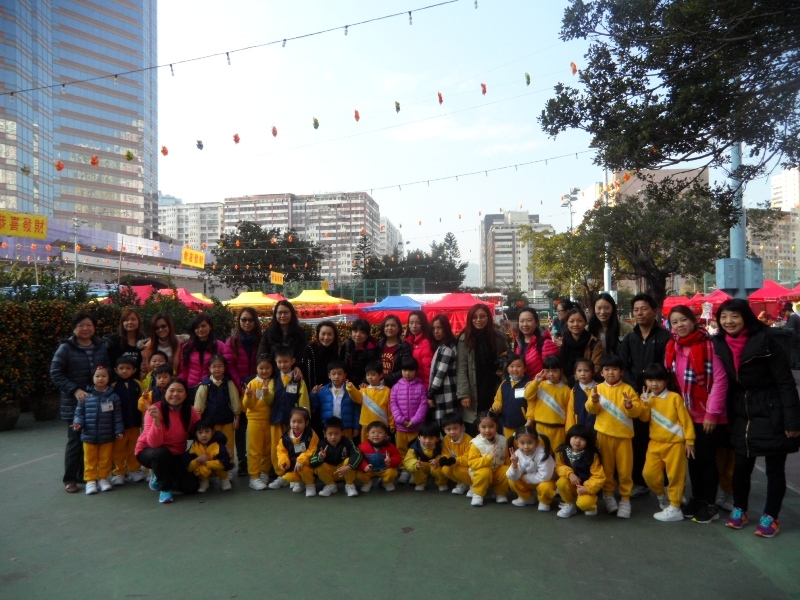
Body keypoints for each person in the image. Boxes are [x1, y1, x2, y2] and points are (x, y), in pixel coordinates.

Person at [712, 299, 800, 538]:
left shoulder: (766, 340)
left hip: (772, 410)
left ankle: (771, 516)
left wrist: (792, 421)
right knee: (741, 465)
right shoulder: (719, 343)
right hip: (742, 412)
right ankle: (740, 508)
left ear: (746, 318)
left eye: (735, 316)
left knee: (774, 468)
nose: (729, 321)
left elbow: (785, 382)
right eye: (724, 317)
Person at [664, 305, 729, 524]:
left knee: (707, 459)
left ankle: (710, 504)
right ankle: (698, 498)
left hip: (707, 415)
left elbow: (720, 380)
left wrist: (712, 413)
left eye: (683, 320)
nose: (680, 325)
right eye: (675, 322)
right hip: (686, 414)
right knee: (692, 459)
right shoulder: (673, 346)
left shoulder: (708, 345)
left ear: (693, 320)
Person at [619, 293, 672, 499]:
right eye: (636, 310)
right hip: (637, 398)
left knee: (663, 440)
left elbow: (669, 367)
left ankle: (668, 485)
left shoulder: (665, 337)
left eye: (644, 309)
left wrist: (656, 388)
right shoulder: (629, 339)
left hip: (661, 397)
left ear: (654, 311)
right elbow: (623, 367)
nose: (640, 313)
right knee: (639, 440)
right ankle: (640, 482)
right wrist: (635, 388)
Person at [50, 312, 110, 493]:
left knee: (92, 439)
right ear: (74, 328)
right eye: (81, 325)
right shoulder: (65, 348)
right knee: (75, 440)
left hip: (96, 401)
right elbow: (55, 373)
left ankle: (84, 474)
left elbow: (107, 370)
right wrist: (75, 390)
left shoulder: (100, 346)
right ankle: (69, 479)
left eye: (89, 325)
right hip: (74, 403)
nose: (85, 328)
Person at [585, 354, 642, 518]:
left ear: (621, 372)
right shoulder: (597, 389)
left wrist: (630, 406)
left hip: (624, 437)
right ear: (601, 372)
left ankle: (625, 498)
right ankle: (608, 495)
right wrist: (593, 401)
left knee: (625, 470)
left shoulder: (628, 389)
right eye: (607, 369)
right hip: (603, 436)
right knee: (607, 469)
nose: (611, 372)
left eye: (615, 369)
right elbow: (590, 410)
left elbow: (637, 412)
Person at [639, 363, 695, 522]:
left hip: (675, 444)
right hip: (655, 443)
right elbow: (644, 418)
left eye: (658, 380)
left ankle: (675, 507)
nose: (654, 384)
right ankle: (662, 495)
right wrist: (644, 403)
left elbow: (685, 420)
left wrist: (689, 440)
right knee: (648, 474)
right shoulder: (648, 398)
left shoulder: (674, 398)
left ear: (666, 381)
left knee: (675, 476)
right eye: (650, 380)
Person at [135, 378, 201, 504]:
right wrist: (157, 421)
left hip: (176, 454)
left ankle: (163, 475)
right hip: (150, 451)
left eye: (180, 391)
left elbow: (201, 429)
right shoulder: (154, 409)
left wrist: (219, 443)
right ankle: (165, 489)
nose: (175, 394)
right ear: (165, 392)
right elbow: (154, 444)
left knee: (191, 487)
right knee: (161, 454)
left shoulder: (190, 411)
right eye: (172, 390)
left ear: (186, 394)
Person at [73, 366, 124, 495]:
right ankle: (90, 481)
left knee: (105, 459)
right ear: (92, 378)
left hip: (107, 436)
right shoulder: (85, 395)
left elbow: (117, 416)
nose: (100, 378)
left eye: (104, 376)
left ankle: (103, 478)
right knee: (89, 459)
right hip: (89, 435)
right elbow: (79, 413)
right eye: (97, 376)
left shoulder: (114, 397)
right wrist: (78, 423)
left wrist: (119, 430)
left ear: (109, 378)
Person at [456, 303, 509, 428]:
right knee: (475, 423)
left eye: (482, 316)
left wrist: (503, 368)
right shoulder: (465, 339)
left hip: (494, 384)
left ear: (488, 317)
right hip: (474, 385)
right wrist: (464, 394)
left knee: (494, 419)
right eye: (475, 317)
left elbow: (507, 356)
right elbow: (461, 367)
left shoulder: (498, 336)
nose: (478, 320)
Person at [223, 307, 262, 476]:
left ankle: (260, 460)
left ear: (255, 321)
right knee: (240, 427)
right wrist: (241, 385)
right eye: (244, 319)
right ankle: (243, 460)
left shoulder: (261, 340)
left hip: (258, 388)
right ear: (239, 321)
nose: (247, 323)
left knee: (258, 424)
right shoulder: (231, 342)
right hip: (238, 389)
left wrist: (253, 382)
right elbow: (229, 366)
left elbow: (265, 362)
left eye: (250, 319)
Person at [268, 347, 311, 480]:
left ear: (292, 361)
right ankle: (280, 474)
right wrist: (265, 394)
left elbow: (303, 400)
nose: (282, 365)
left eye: (286, 361)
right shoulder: (273, 379)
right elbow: (269, 399)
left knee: (296, 446)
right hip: (276, 419)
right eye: (279, 362)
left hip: (293, 422)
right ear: (276, 362)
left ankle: (295, 473)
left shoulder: (298, 379)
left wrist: (305, 416)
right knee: (277, 446)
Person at [193, 355, 241, 462]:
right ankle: (212, 466)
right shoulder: (205, 384)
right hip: (210, 422)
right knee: (212, 444)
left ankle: (227, 466)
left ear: (225, 367)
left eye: (220, 366)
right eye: (214, 366)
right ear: (209, 368)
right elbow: (199, 404)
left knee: (228, 444)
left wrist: (237, 418)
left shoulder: (229, 383)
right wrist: (199, 421)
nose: (217, 369)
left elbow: (235, 401)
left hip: (227, 421)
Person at [390, 357, 429, 483]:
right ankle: (404, 469)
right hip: (401, 427)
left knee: (416, 450)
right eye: (404, 370)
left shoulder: (421, 387)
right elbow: (393, 404)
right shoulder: (396, 387)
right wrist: (400, 419)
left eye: (410, 370)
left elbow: (423, 405)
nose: (407, 373)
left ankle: (415, 470)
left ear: (416, 371)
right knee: (401, 449)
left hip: (416, 427)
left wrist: (415, 420)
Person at [555, 424, 605, 518]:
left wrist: (587, 488)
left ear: (587, 442)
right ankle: (570, 504)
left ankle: (591, 506)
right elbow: (559, 466)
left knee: (585, 504)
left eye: (582, 439)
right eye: (575, 437)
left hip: (587, 487)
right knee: (561, 482)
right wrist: (569, 473)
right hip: (572, 485)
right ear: (569, 437)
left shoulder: (592, 455)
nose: (577, 441)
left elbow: (598, 476)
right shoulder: (562, 451)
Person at [242, 355, 276, 491]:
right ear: (256, 369)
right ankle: (254, 477)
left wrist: (267, 394)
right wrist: (248, 396)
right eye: (261, 368)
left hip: (269, 420)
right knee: (254, 450)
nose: (264, 371)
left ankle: (264, 473)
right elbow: (247, 405)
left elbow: (272, 401)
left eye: (267, 368)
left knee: (268, 449)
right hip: (254, 420)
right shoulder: (252, 383)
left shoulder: (274, 382)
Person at [524, 355, 570, 451]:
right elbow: (528, 396)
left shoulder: (566, 390)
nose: (551, 374)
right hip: (541, 427)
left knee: (559, 454)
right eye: (547, 371)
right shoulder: (540, 385)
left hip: (559, 429)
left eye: (554, 371)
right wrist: (535, 382)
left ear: (561, 371)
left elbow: (569, 411)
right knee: (541, 454)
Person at [268, 407, 318, 495]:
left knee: (304, 469)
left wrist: (301, 460)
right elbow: (281, 451)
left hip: (307, 464)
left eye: (300, 422)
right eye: (293, 421)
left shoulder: (311, 435)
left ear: (306, 423)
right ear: (290, 421)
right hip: (293, 465)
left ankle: (310, 484)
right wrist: (283, 462)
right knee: (287, 477)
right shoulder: (285, 437)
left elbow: (313, 450)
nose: (296, 425)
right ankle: (299, 482)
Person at [302, 321, 340, 435]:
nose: (326, 337)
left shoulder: (335, 350)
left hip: (330, 395)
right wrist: (311, 397)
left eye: (329, 334)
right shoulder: (310, 349)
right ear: (318, 334)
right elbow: (307, 373)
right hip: (314, 394)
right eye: (323, 334)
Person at [110, 356, 143, 485]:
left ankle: (134, 470)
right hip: (120, 425)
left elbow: (142, 401)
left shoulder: (138, 384)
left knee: (134, 447)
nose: (124, 371)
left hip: (135, 423)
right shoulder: (113, 386)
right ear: (116, 370)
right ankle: (119, 472)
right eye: (121, 368)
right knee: (118, 449)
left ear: (134, 370)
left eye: (128, 368)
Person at [310, 416, 363, 497]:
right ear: (324, 433)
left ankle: (349, 485)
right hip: (330, 473)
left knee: (349, 460)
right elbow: (312, 462)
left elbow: (357, 454)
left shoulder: (347, 441)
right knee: (319, 466)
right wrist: (320, 457)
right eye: (330, 434)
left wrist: (349, 466)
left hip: (344, 471)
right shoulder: (321, 444)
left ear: (342, 433)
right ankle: (330, 485)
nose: (333, 437)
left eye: (336, 433)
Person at [310, 359, 362, 440]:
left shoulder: (350, 390)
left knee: (346, 446)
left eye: (339, 374)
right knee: (330, 446)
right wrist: (314, 394)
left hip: (346, 427)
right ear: (329, 375)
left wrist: (356, 426)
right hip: (329, 427)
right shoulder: (323, 391)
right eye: (333, 374)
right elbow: (315, 406)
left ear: (344, 375)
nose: (336, 376)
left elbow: (356, 409)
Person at [506, 425, 556, 509]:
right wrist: (514, 465)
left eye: (530, 443)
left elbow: (545, 476)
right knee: (512, 480)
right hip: (530, 481)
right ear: (517, 443)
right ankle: (527, 498)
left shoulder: (543, 455)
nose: (526, 447)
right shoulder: (517, 453)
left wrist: (525, 478)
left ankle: (544, 501)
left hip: (546, 481)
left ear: (537, 442)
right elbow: (512, 476)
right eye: (522, 443)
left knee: (545, 487)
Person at [467, 412, 510, 507]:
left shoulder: (503, 440)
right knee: (485, 472)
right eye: (483, 427)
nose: (487, 430)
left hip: (497, 471)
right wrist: (489, 458)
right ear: (478, 428)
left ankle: (499, 493)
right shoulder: (475, 443)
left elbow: (506, 458)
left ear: (497, 426)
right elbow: (472, 463)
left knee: (507, 470)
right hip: (481, 473)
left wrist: (510, 468)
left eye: (491, 426)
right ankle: (478, 494)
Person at [177, 314, 226, 394]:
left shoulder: (219, 346)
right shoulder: (187, 347)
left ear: (210, 327)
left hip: (212, 388)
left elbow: (225, 368)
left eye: (203, 326)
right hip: (191, 389)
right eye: (197, 327)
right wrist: (177, 383)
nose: (200, 329)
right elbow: (184, 371)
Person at [489, 354, 533, 439]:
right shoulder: (504, 384)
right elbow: (498, 400)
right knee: (509, 445)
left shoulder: (529, 384)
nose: (515, 369)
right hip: (507, 424)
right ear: (507, 368)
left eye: (518, 366)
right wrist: (496, 409)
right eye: (511, 366)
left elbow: (532, 404)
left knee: (523, 446)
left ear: (525, 368)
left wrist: (529, 421)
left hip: (524, 425)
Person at [186, 417, 233, 493]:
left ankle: (224, 479)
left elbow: (226, 463)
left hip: (217, 468)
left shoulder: (218, 445)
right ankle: (204, 481)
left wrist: (207, 463)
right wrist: (197, 460)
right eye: (200, 432)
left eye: (207, 431)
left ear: (213, 432)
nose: (204, 435)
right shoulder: (194, 446)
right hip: (205, 469)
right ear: (195, 434)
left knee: (221, 465)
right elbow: (188, 467)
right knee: (198, 466)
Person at [557, 307, 603, 384]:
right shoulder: (561, 342)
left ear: (585, 322)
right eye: (571, 321)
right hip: (563, 384)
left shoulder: (594, 343)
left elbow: (596, 368)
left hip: (587, 384)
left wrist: (574, 378)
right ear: (567, 323)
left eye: (580, 321)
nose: (575, 324)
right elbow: (556, 365)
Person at [428, 314, 458, 425]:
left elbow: (439, 374)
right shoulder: (442, 345)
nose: (436, 331)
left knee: (445, 425)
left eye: (439, 327)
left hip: (445, 392)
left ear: (446, 328)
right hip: (443, 392)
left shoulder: (448, 348)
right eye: (433, 328)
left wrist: (430, 394)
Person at [356, 421, 402, 492]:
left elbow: (398, 457)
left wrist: (391, 460)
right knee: (358, 473)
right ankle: (367, 482)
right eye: (373, 432)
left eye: (380, 432)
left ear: (386, 436)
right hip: (369, 470)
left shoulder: (390, 446)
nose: (376, 435)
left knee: (392, 472)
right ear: (368, 435)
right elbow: (359, 458)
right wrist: (364, 466)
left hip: (384, 469)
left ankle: (386, 482)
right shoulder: (362, 447)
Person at [514, 307, 558, 380]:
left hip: (540, 385)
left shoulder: (545, 343)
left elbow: (553, 371)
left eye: (529, 320)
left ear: (537, 322)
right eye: (521, 321)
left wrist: (534, 383)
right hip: (522, 385)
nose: (525, 324)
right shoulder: (518, 342)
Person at [403, 421, 448, 492]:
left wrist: (438, 461)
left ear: (437, 438)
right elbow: (408, 460)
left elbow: (445, 455)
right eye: (424, 437)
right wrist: (415, 464)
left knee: (439, 468)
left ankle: (441, 483)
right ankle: (421, 482)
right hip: (422, 466)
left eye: (431, 438)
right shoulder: (414, 447)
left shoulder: (441, 445)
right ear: (419, 437)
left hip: (434, 466)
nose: (427, 441)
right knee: (417, 468)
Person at [258, 300, 307, 364]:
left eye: (286, 312)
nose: (283, 315)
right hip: (273, 369)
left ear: (291, 313)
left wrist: (298, 366)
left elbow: (303, 354)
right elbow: (262, 353)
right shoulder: (268, 333)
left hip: (294, 369)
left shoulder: (300, 332)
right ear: (275, 314)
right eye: (280, 312)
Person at [139, 312, 188, 378]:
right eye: (157, 328)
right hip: (154, 381)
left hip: (176, 381)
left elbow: (185, 368)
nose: (160, 330)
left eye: (163, 326)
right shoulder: (148, 347)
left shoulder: (181, 344)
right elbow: (144, 369)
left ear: (169, 326)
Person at [354, 361, 393, 441]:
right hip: (366, 424)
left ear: (381, 375)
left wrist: (392, 424)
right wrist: (350, 388)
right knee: (365, 445)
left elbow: (390, 409)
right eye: (368, 375)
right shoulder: (363, 390)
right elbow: (356, 398)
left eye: (373, 374)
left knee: (381, 445)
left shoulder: (387, 391)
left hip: (381, 425)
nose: (370, 377)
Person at [104, 308, 146, 379]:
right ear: (122, 322)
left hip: (138, 381)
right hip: (117, 381)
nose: (130, 322)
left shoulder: (145, 340)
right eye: (126, 320)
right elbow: (108, 363)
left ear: (138, 321)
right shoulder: (113, 340)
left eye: (133, 319)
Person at [438, 412, 473, 495]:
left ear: (462, 427)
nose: (452, 432)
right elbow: (445, 453)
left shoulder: (468, 440)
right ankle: (462, 483)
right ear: (444, 430)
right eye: (448, 429)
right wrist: (446, 459)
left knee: (459, 470)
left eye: (455, 428)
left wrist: (455, 460)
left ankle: (473, 485)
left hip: (468, 466)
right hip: (456, 462)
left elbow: (469, 458)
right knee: (445, 469)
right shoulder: (446, 439)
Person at [339, 318, 379, 388]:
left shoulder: (372, 349)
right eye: (355, 331)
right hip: (346, 381)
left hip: (364, 384)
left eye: (362, 332)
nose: (358, 335)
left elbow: (372, 368)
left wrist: (365, 381)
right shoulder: (346, 344)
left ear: (367, 335)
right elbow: (341, 361)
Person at [376, 314, 413, 388]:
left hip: (397, 386)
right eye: (387, 325)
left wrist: (386, 380)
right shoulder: (379, 345)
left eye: (393, 325)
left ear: (398, 328)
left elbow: (404, 369)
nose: (389, 328)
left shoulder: (404, 346)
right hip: (378, 385)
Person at [404, 310, 435, 388]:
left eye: (418, 323)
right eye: (411, 323)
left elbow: (427, 370)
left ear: (423, 324)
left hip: (421, 387)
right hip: (411, 386)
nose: (414, 326)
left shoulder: (426, 343)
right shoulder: (408, 341)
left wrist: (426, 389)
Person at [565, 358, 597, 431]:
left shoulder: (599, 388)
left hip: (595, 428)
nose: (582, 374)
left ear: (593, 372)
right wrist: (570, 431)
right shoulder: (574, 390)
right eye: (579, 371)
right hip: (579, 428)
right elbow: (571, 412)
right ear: (575, 373)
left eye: (586, 371)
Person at [781, 301, 800, 369]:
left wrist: (783, 328)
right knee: (796, 350)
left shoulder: (793, 317)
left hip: (795, 336)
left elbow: (790, 328)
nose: (785, 314)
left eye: (785, 313)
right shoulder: (795, 316)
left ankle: (796, 364)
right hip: (797, 336)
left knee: (795, 351)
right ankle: (796, 364)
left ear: (788, 311)